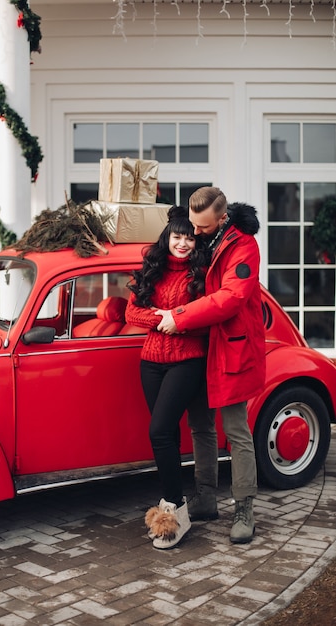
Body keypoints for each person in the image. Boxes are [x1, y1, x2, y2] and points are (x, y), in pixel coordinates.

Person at [155, 187, 266, 544]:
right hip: (200, 348)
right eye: (192, 224)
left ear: (222, 218)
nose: (195, 232)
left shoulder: (244, 246)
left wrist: (179, 316)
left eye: (202, 227)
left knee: (236, 430)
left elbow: (230, 298)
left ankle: (244, 508)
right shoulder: (204, 235)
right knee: (200, 425)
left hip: (230, 349)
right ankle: (205, 498)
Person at [125, 205, 209, 550]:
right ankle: (174, 506)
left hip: (187, 361)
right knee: (167, 435)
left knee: (158, 430)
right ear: (168, 237)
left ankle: (174, 506)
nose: (183, 243)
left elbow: (208, 313)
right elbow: (132, 310)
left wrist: (178, 317)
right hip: (151, 361)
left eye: (189, 237)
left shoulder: (202, 272)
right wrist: (161, 318)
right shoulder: (153, 268)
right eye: (177, 236)